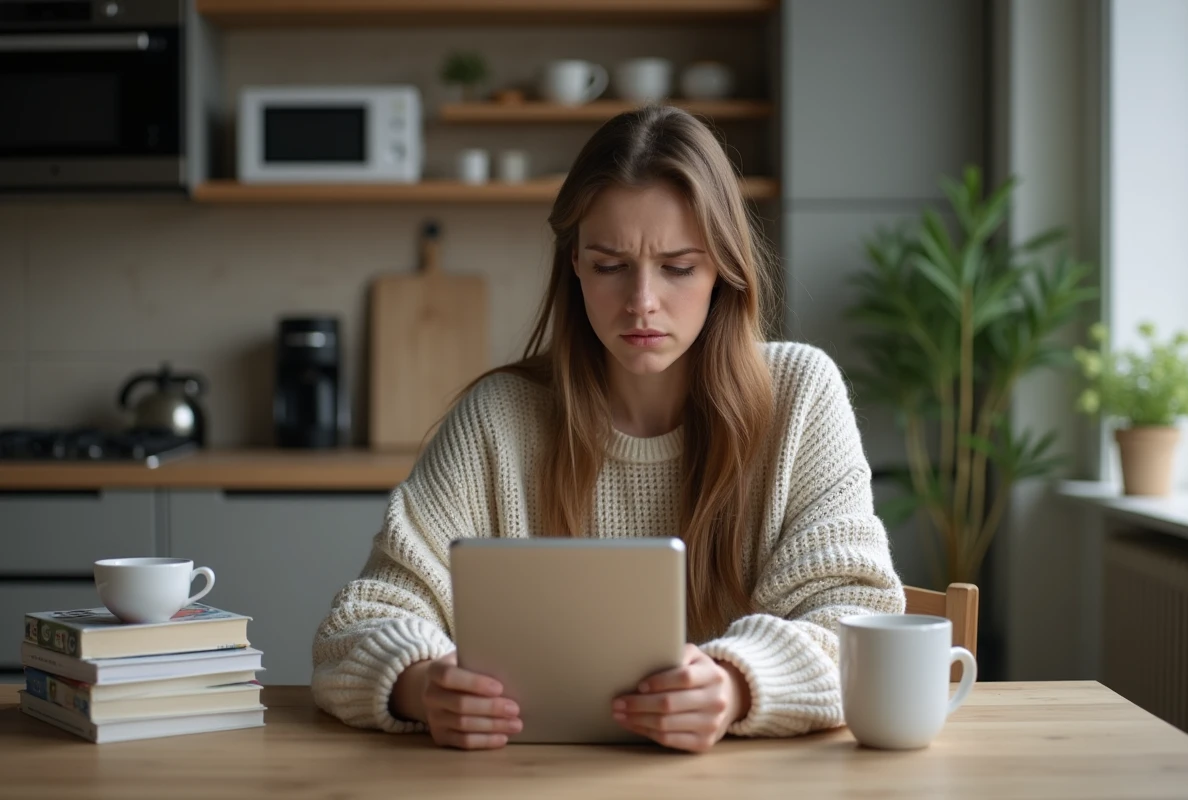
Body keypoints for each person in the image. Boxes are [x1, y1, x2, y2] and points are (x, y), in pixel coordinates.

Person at [311, 105, 904, 753]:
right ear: (573, 266)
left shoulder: (801, 396)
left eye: (678, 267)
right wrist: (420, 684)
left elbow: (860, 622)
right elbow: (359, 624)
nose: (642, 301)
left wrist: (736, 684)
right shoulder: (498, 417)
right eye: (609, 265)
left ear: (724, 272)